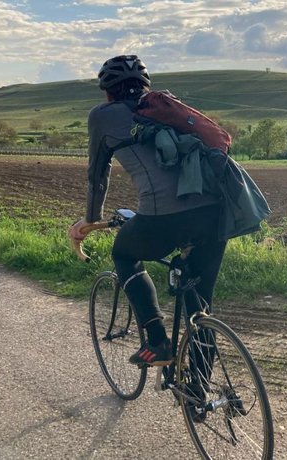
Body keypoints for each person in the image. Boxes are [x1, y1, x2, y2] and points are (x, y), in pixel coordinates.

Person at [68, 55, 226, 367]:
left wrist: (89, 219)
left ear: (108, 92)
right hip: (215, 213)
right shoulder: (168, 109)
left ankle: (157, 342)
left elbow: (97, 175)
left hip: (163, 215)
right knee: (201, 306)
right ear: (145, 87)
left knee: (124, 254)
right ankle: (200, 391)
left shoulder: (102, 116)